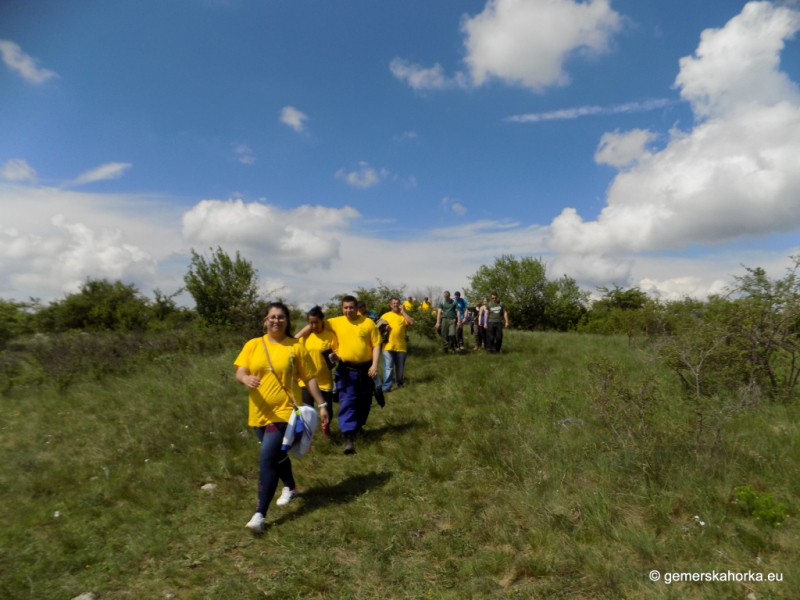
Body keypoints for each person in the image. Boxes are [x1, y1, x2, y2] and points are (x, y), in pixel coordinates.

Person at [235, 302, 330, 533]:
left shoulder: (295, 347)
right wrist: (245, 379)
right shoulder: (253, 345)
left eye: (281, 317)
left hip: (285, 412)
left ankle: (259, 515)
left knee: (266, 459)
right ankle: (291, 486)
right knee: (277, 457)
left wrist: (323, 404)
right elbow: (240, 370)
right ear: (265, 320)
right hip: (258, 412)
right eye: (272, 317)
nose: (276, 321)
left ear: (287, 321)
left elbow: (309, 378)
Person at [326, 296, 381, 455]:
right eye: (345, 307)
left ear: (357, 308)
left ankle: (358, 427)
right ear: (341, 308)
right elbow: (314, 325)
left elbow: (376, 344)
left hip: (366, 370)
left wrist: (375, 364)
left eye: (351, 307)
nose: (348, 310)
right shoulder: (335, 322)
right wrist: (294, 337)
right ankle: (348, 436)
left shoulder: (368, 322)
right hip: (346, 370)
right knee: (348, 401)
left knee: (365, 402)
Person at [295, 306, 338, 440]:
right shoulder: (304, 337)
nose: (313, 325)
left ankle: (325, 429)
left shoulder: (330, 336)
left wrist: (335, 357)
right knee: (306, 410)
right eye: (310, 323)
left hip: (324, 379)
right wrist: (307, 330)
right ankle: (307, 436)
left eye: (316, 322)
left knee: (327, 409)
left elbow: (336, 353)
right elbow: (293, 342)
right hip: (305, 380)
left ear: (322, 320)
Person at [380, 297, 414, 392]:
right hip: (388, 346)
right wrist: (384, 329)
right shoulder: (385, 315)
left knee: (400, 368)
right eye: (394, 303)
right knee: (388, 367)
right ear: (390, 305)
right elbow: (377, 329)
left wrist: (403, 312)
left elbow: (411, 322)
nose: (396, 305)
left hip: (401, 347)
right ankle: (387, 386)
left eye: (397, 303)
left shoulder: (403, 315)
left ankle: (399, 383)